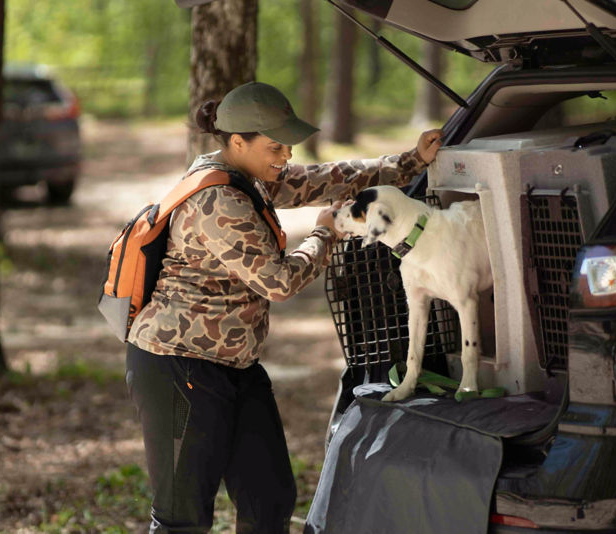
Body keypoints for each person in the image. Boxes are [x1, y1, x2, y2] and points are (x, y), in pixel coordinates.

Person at [124, 81, 444, 534]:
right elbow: (278, 281)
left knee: (269, 497)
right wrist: (326, 234)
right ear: (239, 142)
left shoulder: (247, 176)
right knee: (183, 516)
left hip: (234, 366)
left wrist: (410, 162)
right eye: (275, 146)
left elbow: (326, 179)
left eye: (288, 146)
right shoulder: (218, 200)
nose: (286, 156)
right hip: (179, 367)